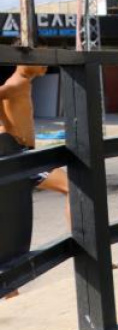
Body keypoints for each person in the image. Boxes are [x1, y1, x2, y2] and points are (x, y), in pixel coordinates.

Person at [0, 66, 70, 248]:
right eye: (38, 60)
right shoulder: (18, 83)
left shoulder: (23, 83)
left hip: (25, 154)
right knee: (74, 188)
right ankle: (88, 248)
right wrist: (7, 125)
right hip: (20, 155)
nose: (44, 64)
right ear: (23, 62)